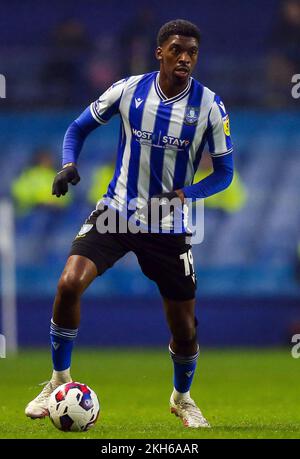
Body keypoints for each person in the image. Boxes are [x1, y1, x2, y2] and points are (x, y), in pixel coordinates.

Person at [25, 19, 234, 428]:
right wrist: (69, 164)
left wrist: (183, 195)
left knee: (185, 328)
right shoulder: (128, 90)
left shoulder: (210, 106)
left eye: (192, 52)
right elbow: (78, 127)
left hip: (167, 224)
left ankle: (182, 397)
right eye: (177, 50)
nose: (185, 59)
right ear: (160, 52)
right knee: (69, 283)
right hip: (115, 211)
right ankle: (57, 382)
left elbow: (224, 173)